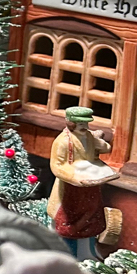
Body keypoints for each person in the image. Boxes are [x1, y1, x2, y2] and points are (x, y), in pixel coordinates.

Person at [47, 107, 116, 258]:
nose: (84, 127)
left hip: (90, 186)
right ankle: (68, 254)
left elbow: (103, 148)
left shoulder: (88, 136)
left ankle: (89, 252)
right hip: (70, 189)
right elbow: (57, 165)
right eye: (80, 124)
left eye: (86, 123)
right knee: (69, 223)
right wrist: (75, 177)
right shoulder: (63, 141)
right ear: (71, 123)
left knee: (91, 220)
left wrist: (102, 145)